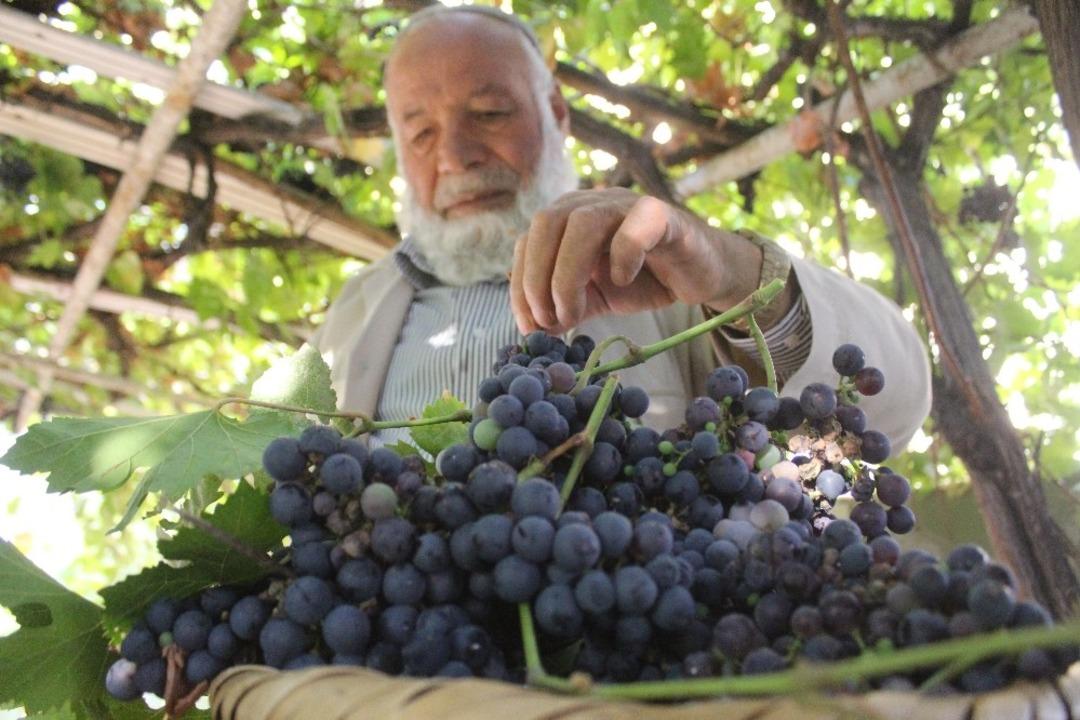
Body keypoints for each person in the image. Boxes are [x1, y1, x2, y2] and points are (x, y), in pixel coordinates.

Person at [311, 5, 930, 450]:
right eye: (419, 132)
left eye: (490, 112)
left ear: (557, 114)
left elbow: (893, 407)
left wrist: (734, 274)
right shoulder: (351, 315)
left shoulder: (662, 270)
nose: (455, 155)